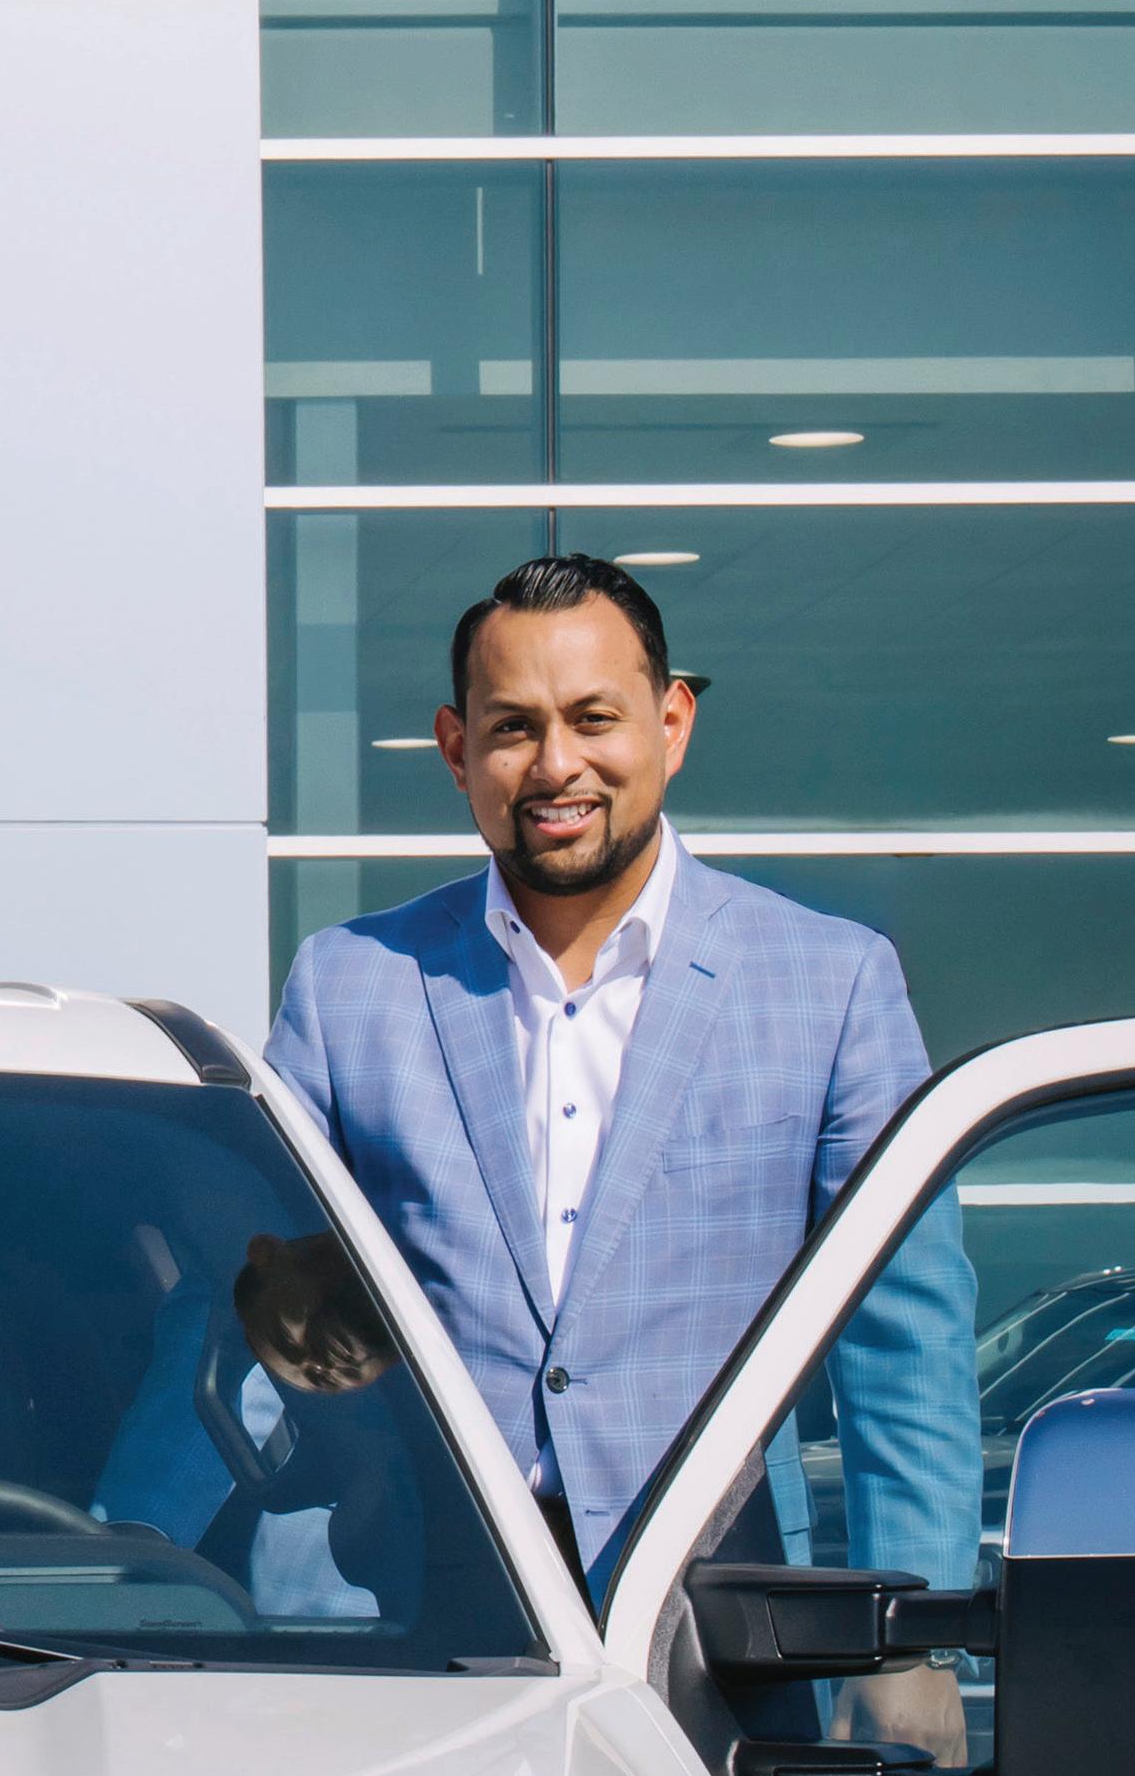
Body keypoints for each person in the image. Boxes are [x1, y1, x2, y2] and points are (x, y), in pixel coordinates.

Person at [262, 555, 979, 1623]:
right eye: (512, 728)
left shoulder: (830, 983)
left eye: (593, 718)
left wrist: (915, 1636)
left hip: (717, 1593)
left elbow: (903, 1344)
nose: (556, 765)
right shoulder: (348, 984)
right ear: (456, 750)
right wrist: (139, 1539)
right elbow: (267, 1298)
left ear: (670, 723)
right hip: (427, 1589)